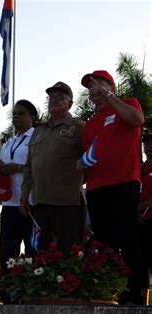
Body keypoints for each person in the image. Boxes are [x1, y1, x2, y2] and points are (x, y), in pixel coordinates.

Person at [80, 70, 144, 304]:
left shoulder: (128, 104)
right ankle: (110, 290)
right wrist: (81, 164)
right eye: (89, 89)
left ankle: (134, 292)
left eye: (96, 85)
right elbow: (90, 155)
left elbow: (137, 120)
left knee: (127, 238)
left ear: (110, 86)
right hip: (96, 187)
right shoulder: (89, 124)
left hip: (124, 183)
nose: (92, 92)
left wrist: (112, 99)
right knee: (104, 242)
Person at [20, 82, 84, 255]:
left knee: (67, 252)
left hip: (66, 202)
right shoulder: (38, 130)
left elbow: (91, 160)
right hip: (40, 202)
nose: (54, 100)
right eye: (51, 97)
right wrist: (24, 196)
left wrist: (77, 183)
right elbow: (28, 167)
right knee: (43, 252)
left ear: (70, 103)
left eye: (60, 97)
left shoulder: (78, 128)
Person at [0, 100, 37, 270]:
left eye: (21, 113)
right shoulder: (9, 143)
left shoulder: (37, 138)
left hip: (30, 201)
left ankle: (33, 294)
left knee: (32, 252)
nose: (16, 117)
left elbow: (40, 166)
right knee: (7, 253)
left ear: (32, 117)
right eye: (14, 113)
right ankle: (8, 296)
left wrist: (18, 168)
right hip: (9, 203)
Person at [138, 134, 152, 305]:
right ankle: (142, 302)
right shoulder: (138, 168)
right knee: (141, 264)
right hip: (141, 222)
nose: (150, 146)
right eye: (147, 143)